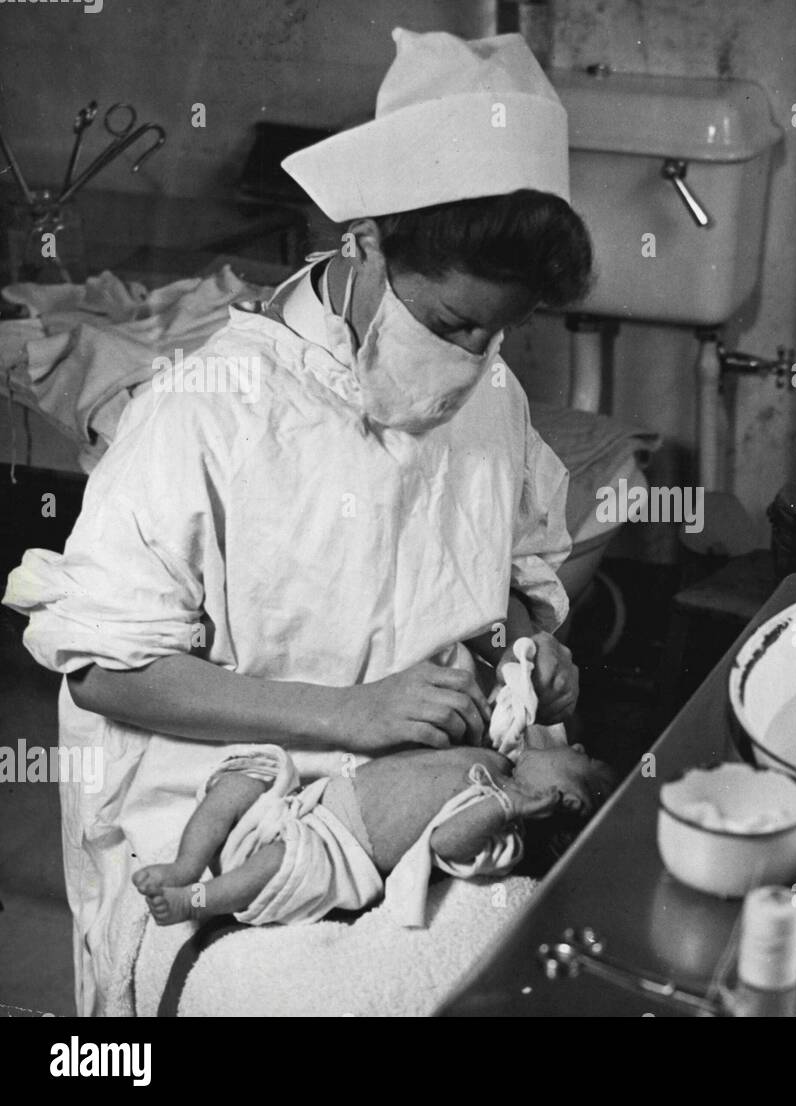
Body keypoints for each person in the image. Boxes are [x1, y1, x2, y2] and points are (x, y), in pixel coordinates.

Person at [2, 29, 595, 1015]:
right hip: (221, 842)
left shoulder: (492, 399)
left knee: (528, 967)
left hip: (416, 818)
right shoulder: (212, 408)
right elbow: (105, 667)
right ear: (363, 244)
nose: (477, 356)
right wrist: (348, 713)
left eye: (502, 329)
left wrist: (536, 648)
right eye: (450, 325)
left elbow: (509, 576)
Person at [133, 738, 617, 928]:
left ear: (569, 800)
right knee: (247, 774)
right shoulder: (499, 758)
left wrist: (509, 803)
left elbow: (445, 843)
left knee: (284, 861)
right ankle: (186, 864)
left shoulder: (502, 829)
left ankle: (196, 900)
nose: (576, 742)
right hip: (303, 801)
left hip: (335, 851)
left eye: (586, 759)